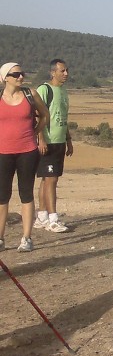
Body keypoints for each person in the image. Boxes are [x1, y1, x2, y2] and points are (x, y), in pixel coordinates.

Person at [0, 63, 48, 252]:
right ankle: (0, 238)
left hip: (27, 151)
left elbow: (45, 115)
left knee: (26, 194)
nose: (21, 77)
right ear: (5, 77)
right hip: (3, 152)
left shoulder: (31, 94)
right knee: (2, 196)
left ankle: (26, 238)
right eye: (16, 74)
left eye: (22, 73)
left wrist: (35, 132)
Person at [34, 59, 74, 233]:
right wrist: (41, 139)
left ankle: (41, 217)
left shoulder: (63, 91)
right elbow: (37, 115)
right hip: (48, 141)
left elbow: (63, 117)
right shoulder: (44, 90)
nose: (66, 73)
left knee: (47, 179)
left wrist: (68, 140)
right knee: (51, 180)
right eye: (62, 70)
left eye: (66, 70)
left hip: (59, 141)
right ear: (52, 72)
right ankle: (53, 220)